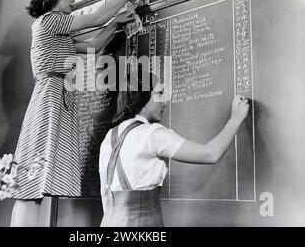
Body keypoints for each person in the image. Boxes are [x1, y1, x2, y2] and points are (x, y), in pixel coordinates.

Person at [10, 0, 146, 227]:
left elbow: (95, 44)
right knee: (30, 187)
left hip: (57, 99)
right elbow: (94, 20)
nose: (73, 0)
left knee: (38, 184)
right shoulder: (49, 21)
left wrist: (116, 21)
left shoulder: (58, 32)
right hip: (49, 100)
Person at [99, 72, 249, 227]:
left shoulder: (110, 136)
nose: (164, 102)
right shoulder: (153, 134)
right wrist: (235, 119)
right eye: (159, 93)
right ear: (142, 96)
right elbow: (211, 154)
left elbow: (105, 193)